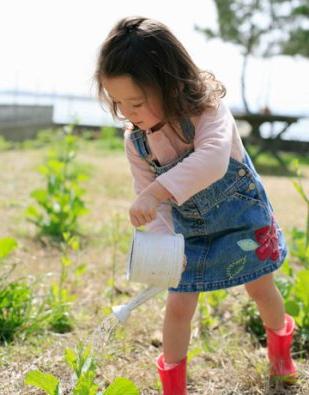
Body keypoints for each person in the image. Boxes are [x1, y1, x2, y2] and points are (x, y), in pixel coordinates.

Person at [94, 16, 297, 394]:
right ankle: (174, 384)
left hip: (241, 221)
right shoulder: (136, 141)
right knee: (178, 307)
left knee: (261, 290)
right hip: (189, 233)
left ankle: (280, 352)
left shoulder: (207, 110)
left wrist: (155, 194)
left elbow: (212, 160)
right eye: (118, 103)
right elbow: (151, 203)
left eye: (136, 101)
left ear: (167, 83)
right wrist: (163, 246)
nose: (128, 113)